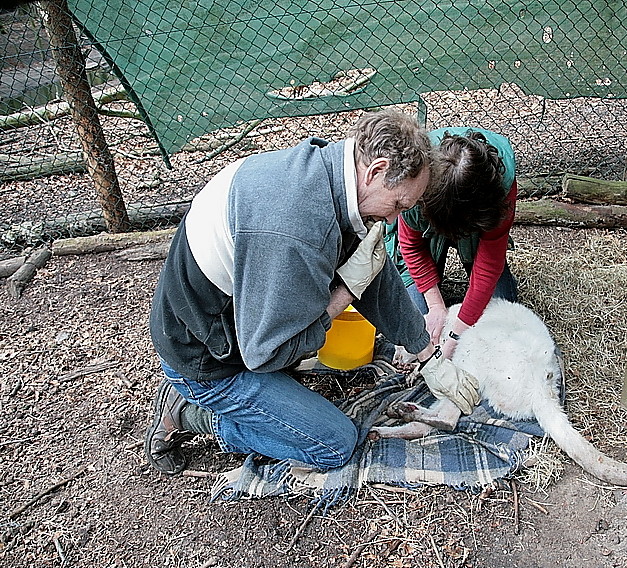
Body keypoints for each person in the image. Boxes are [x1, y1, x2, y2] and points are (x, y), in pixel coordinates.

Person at [145, 110, 480, 476]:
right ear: (376, 171)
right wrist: (346, 292)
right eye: (399, 205)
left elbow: (373, 271)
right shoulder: (296, 232)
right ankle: (190, 413)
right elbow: (266, 353)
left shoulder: (332, 172)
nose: (391, 221)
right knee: (334, 445)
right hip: (207, 356)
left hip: (228, 321)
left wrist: (427, 355)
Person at [386, 127, 518, 359]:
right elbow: (411, 245)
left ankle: (468, 249)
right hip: (431, 221)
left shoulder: (498, 188)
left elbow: (488, 266)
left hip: (473, 221)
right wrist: (436, 306)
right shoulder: (415, 182)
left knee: (504, 307)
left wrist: (457, 335)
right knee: (413, 321)